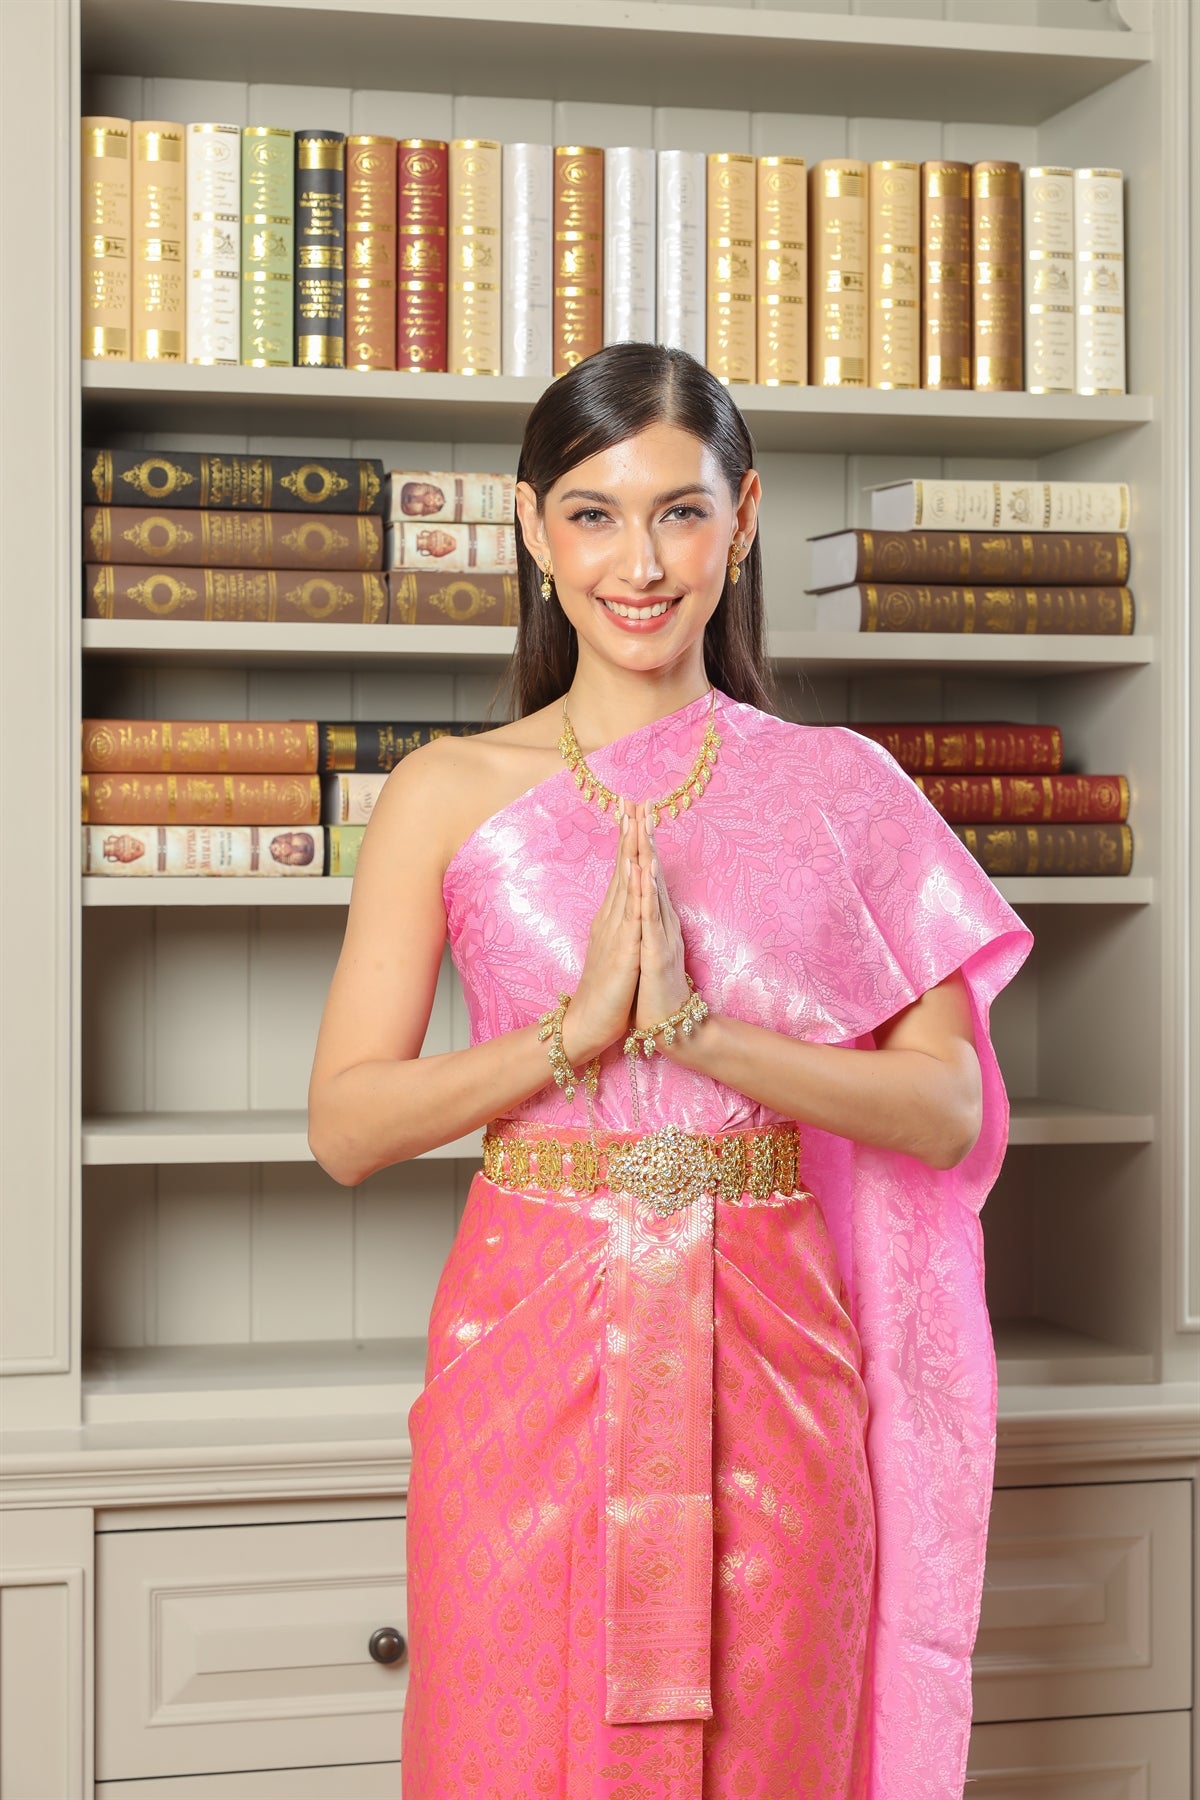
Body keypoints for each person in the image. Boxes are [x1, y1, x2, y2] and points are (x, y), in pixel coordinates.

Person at [308, 343, 1034, 1800]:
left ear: (745, 519)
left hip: (775, 1347)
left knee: (773, 1746)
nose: (637, 562)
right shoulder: (449, 794)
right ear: (531, 529)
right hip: (527, 1346)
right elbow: (347, 1124)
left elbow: (945, 1107)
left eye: (680, 513)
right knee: (513, 1747)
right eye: (592, 514)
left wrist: (698, 1033)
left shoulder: (843, 790)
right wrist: (567, 1040)